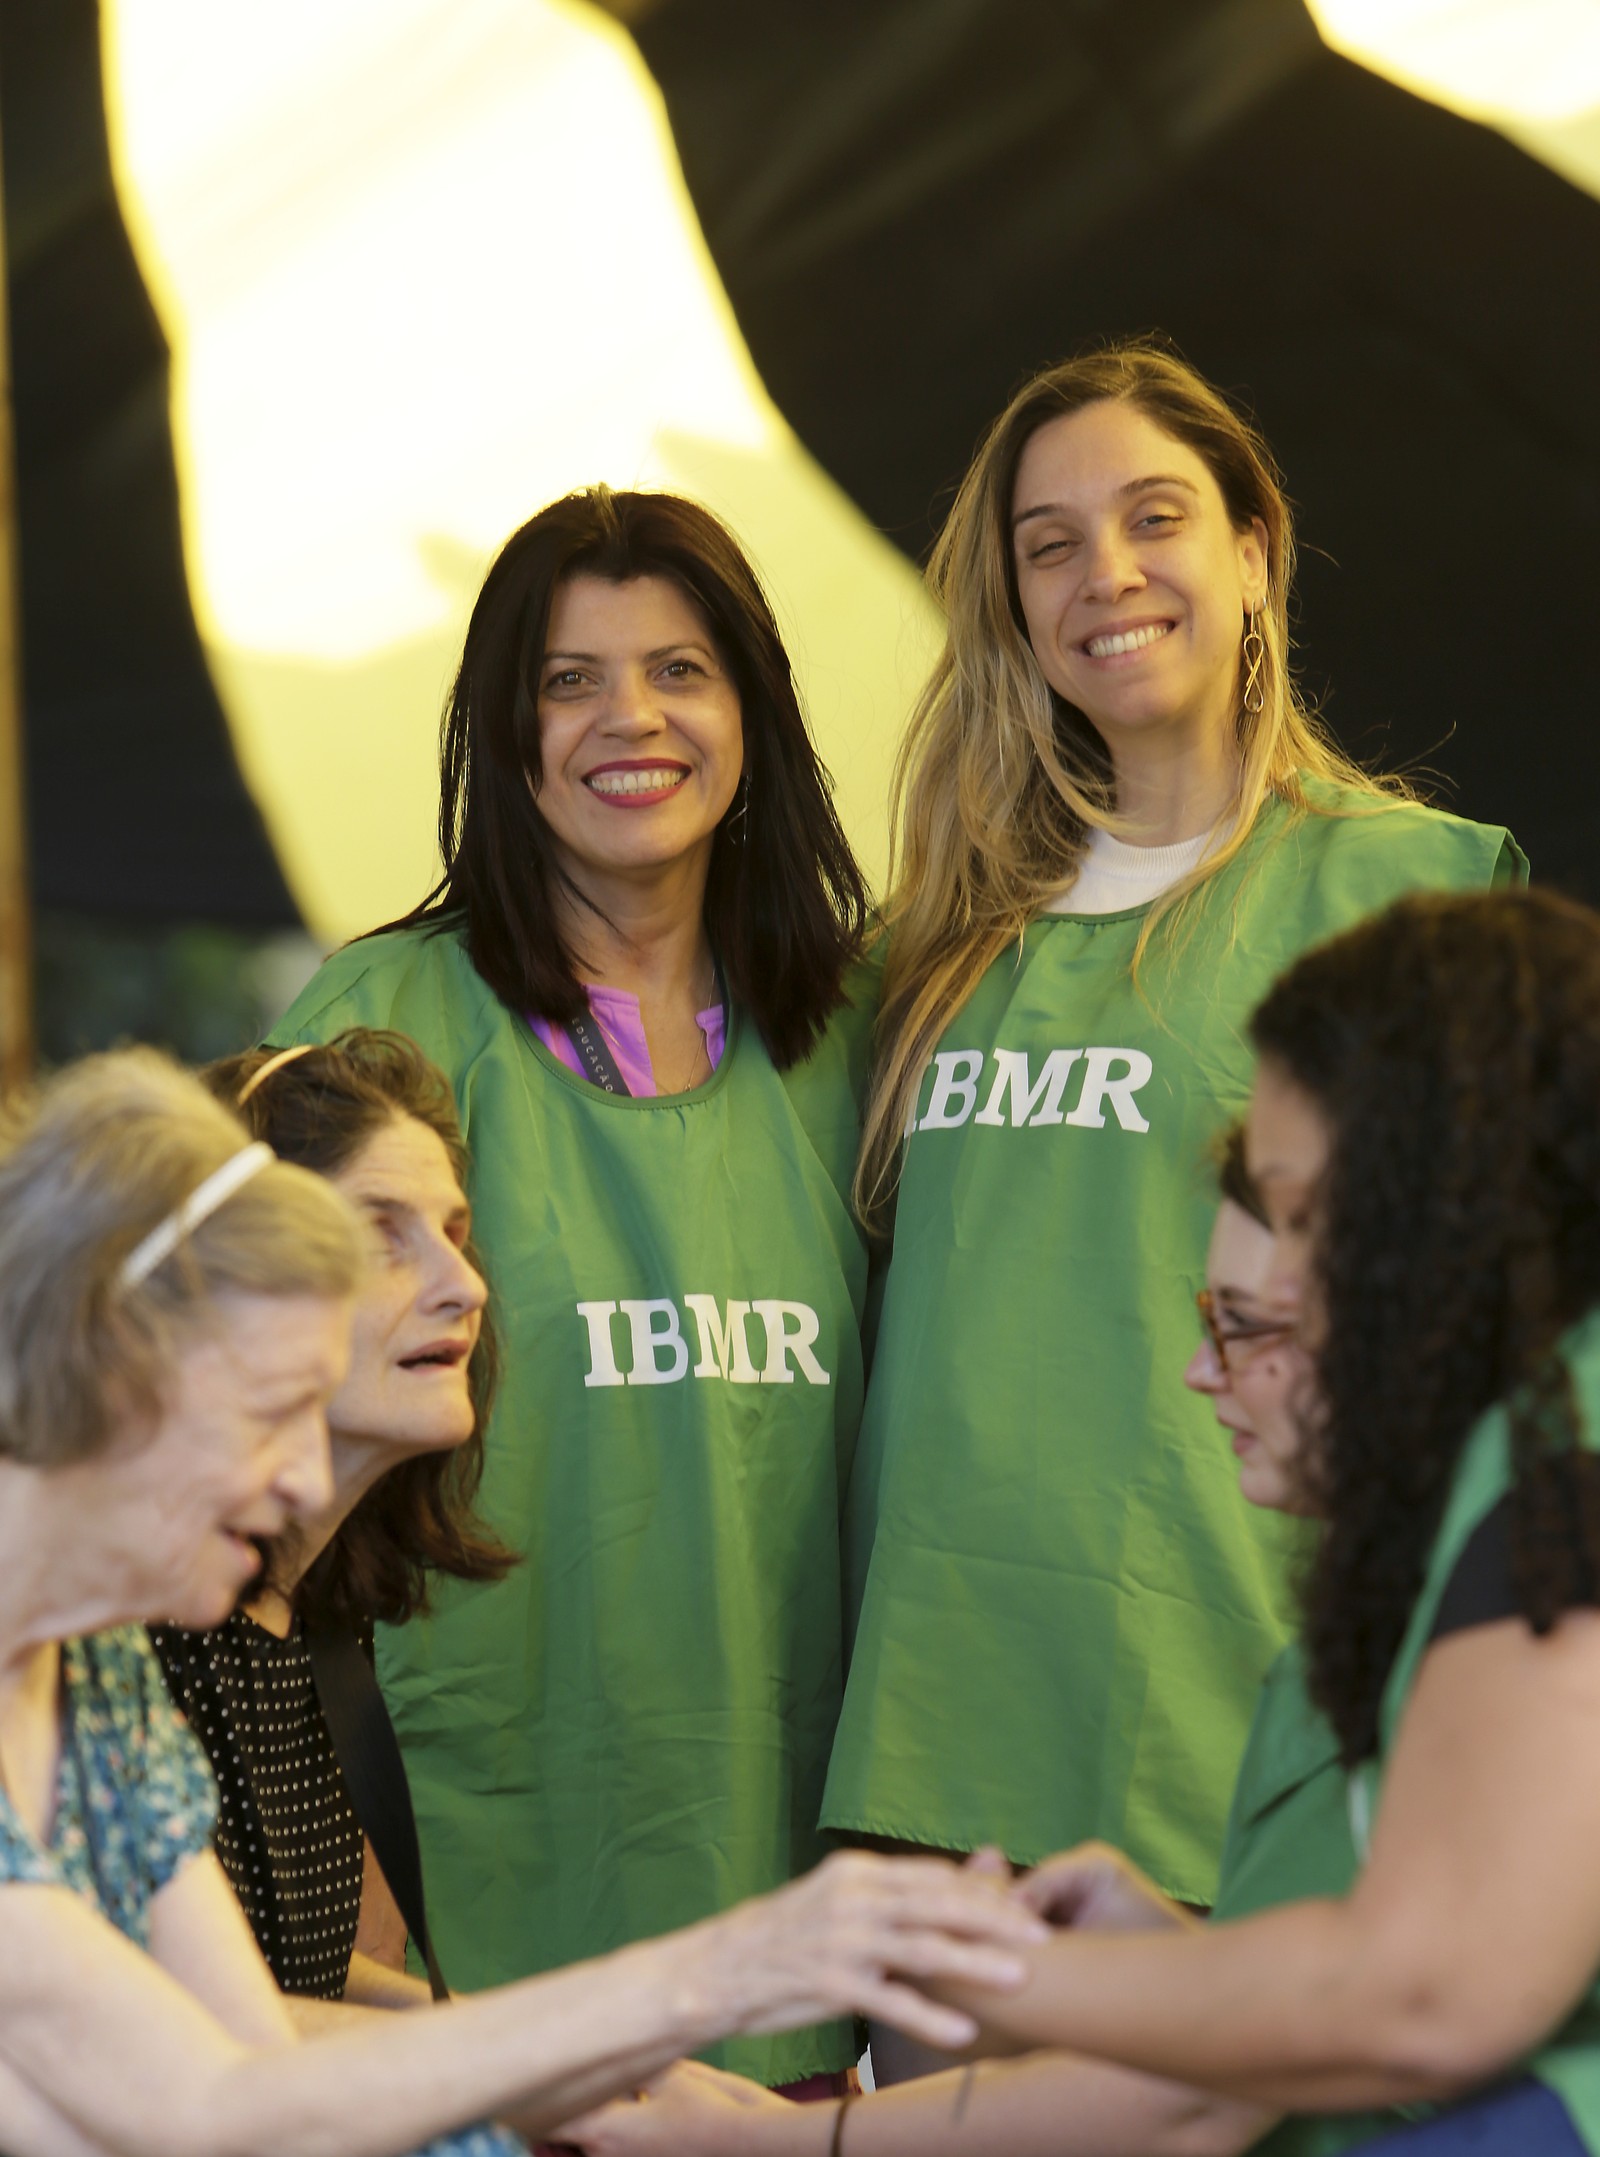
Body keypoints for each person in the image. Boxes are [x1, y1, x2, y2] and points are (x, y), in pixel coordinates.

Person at [821, 341, 1524, 2078]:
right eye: (1047, 543)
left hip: (1241, 1718)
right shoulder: (926, 952)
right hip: (935, 1732)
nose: (1104, 575)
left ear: (1257, 549)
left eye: (1154, 519)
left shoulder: (1406, 889)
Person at [0, 1046, 1053, 2157]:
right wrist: (716, 1974)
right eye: (268, 1411)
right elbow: (210, 2109)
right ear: (112, 1366)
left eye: (454, 1233)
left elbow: (248, 2036)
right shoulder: (135, 1649)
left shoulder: (97, 1668)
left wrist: (642, 2071)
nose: (305, 1478)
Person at [268, 487, 877, 2089]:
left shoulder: (870, 1029)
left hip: (802, 1863)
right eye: (569, 679)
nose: (632, 718)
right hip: (473, 1861)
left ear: (751, 706)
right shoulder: (382, 1021)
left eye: (681, 669)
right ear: (503, 730)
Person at [929, 887, 1600, 2155]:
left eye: (1303, 1218)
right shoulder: (1501, 1462)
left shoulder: (1565, 1453)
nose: (1284, 1276)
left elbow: (1425, 1997)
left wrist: (982, 1970)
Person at [555, 1130, 1373, 2157]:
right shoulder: (1362, 1633)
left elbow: (1219, 2085)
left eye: (1245, 1328)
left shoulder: (1464, 1629)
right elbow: (1277, 2027)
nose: (1200, 1369)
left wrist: (775, 2143)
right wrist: (1148, 1950)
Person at [152, 1030, 513, 2007]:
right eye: (379, 1234)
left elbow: (284, 1977)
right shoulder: (130, 1630)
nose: (464, 1285)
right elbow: (201, 2039)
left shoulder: (316, 1615)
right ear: (226, 1284)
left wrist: (594, 2064)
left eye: (453, 1231)